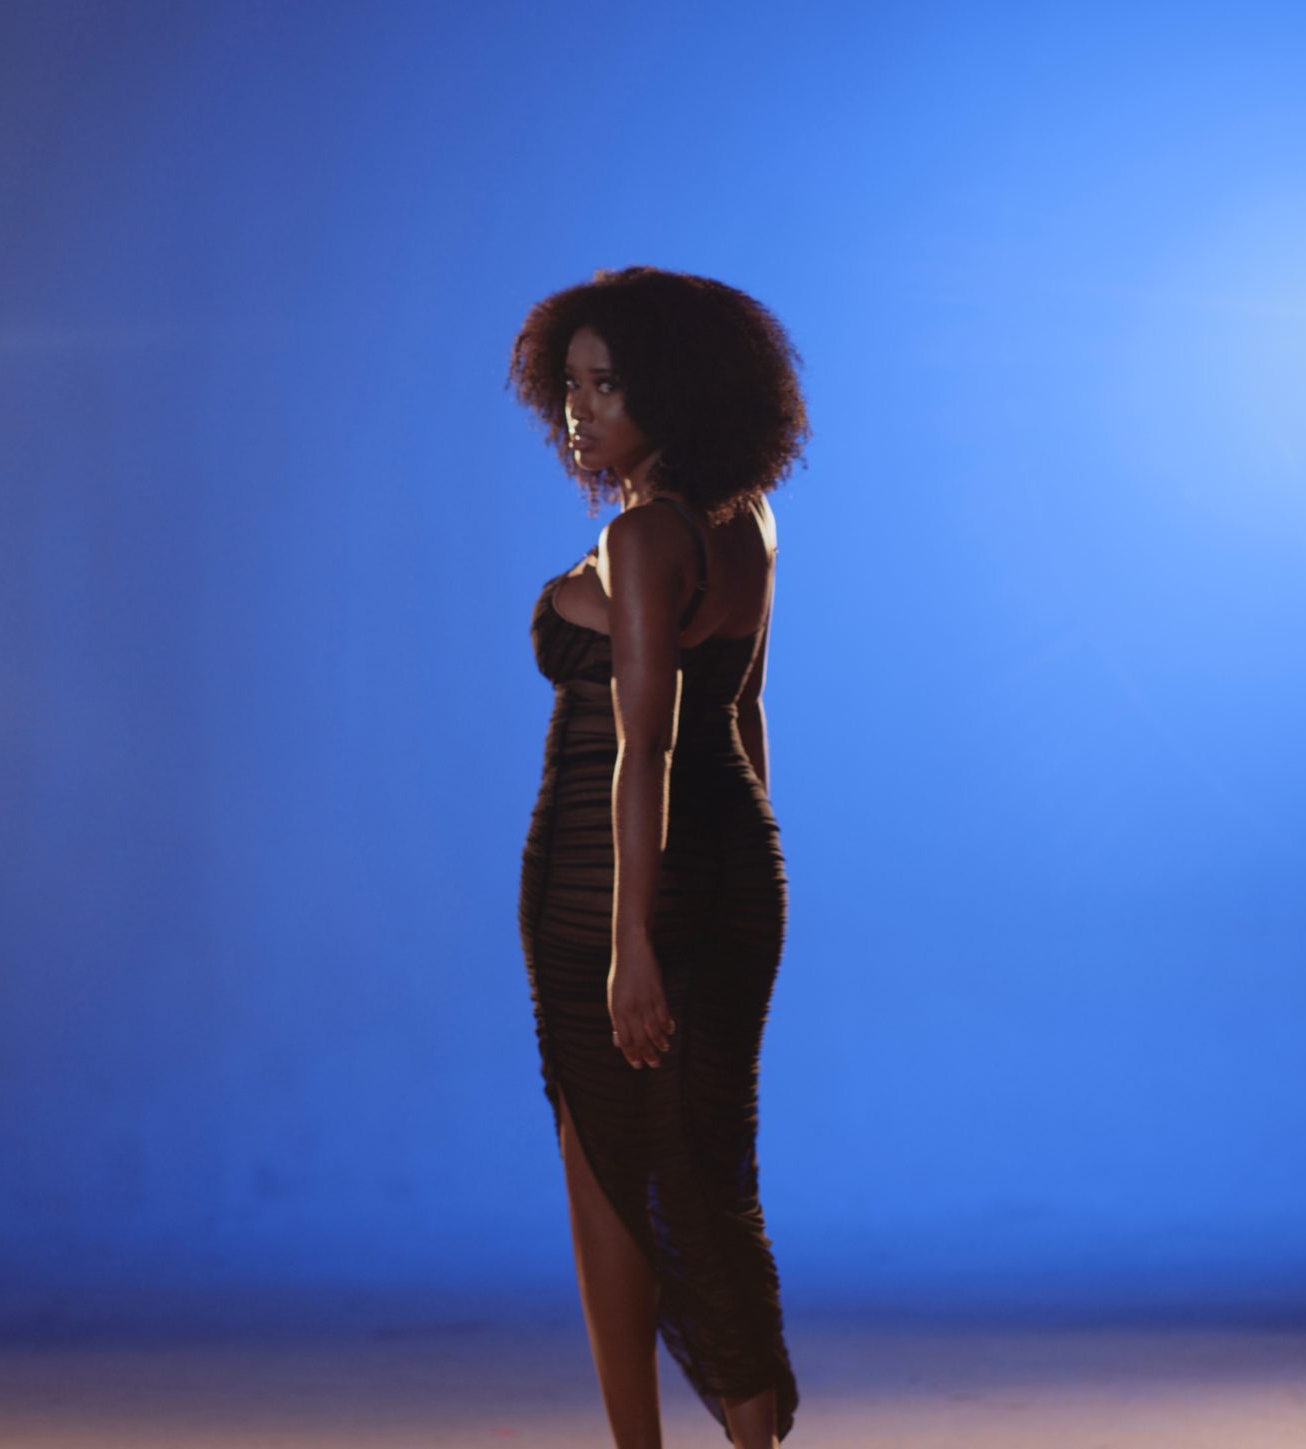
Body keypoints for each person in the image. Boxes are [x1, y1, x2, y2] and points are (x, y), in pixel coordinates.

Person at [511, 266, 808, 1448]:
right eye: (571, 386)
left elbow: (647, 750)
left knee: (618, 1182)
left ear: (676, 393)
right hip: (731, 868)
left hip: (612, 883)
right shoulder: (746, 520)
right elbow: (747, 714)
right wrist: (758, 873)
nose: (581, 412)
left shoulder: (642, 536)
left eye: (608, 386)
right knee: (702, 1174)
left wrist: (633, 944)